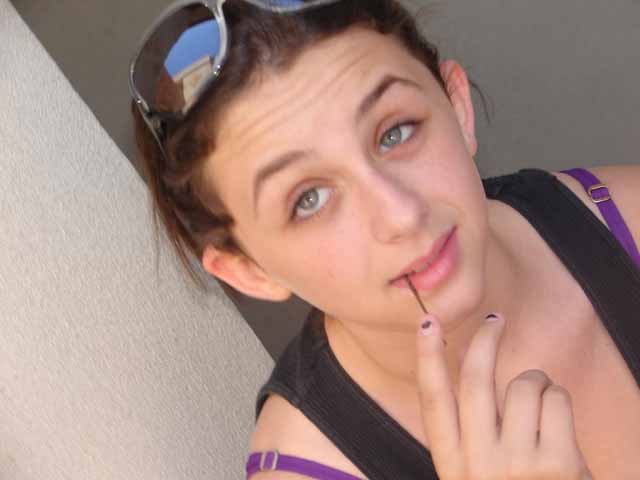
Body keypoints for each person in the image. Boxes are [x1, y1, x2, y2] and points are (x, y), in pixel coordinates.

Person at [128, 1, 640, 478]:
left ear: (456, 106)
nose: (401, 215)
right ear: (250, 272)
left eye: (395, 132)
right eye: (309, 199)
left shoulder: (627, 218)